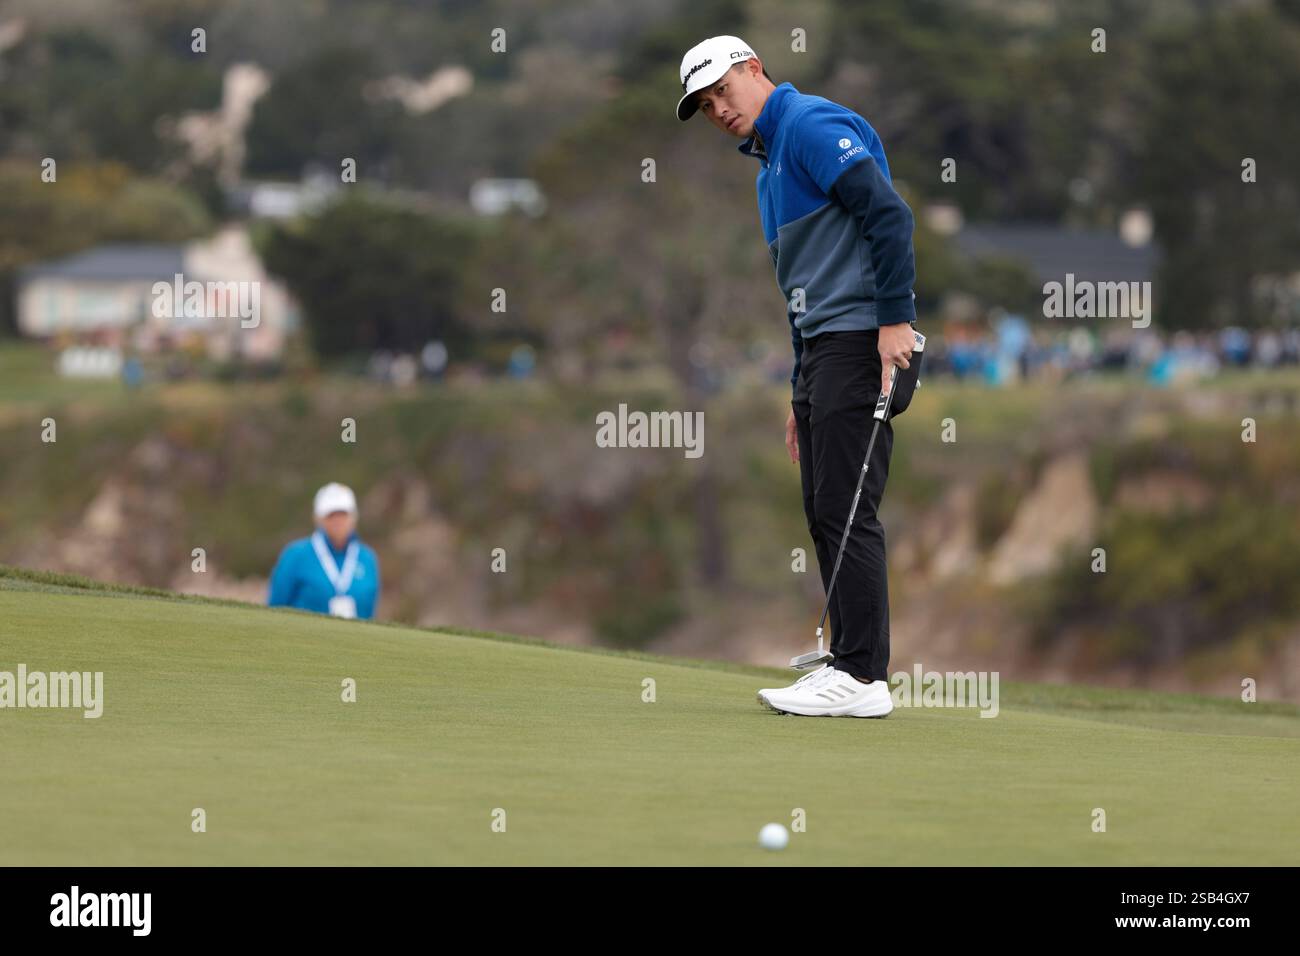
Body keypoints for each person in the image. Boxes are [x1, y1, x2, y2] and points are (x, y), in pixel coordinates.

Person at [677, 36, 920, 717]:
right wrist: (797, 389)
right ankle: (846, 662)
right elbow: (800, 291)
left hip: (864, 341)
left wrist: (895, 321)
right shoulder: (767, 174)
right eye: (705, 105)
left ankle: (864, 678)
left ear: (754, 69)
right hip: (822, 352)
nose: (718, 109)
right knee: (823, 509)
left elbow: (888, 215)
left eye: (723, 91)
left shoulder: (809, 125)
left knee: (847, 510)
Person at [268, 483, 381, 620]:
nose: (338, 521)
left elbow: (369, 613)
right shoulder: (295, 555)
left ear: (353, 518)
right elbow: (274, 608)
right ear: (318, 518)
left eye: (343, 514)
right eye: (331, 515)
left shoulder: (367, 558)